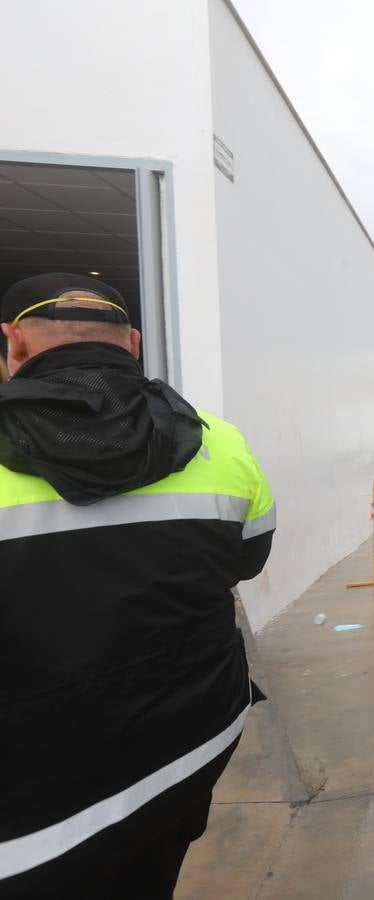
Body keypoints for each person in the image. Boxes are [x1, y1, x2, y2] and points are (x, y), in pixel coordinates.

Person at [0, 274, 275, 899]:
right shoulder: (219, 442)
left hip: (34, 807)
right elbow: (249, 559)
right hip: (186, 751)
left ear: (13, 344)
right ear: (133, 344)